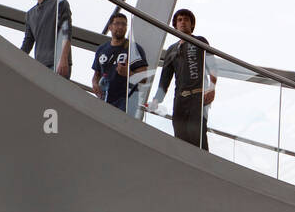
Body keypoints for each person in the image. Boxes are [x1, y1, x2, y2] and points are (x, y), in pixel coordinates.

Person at [148, 8, 217, 150]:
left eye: (186, 19)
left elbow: (212, 65)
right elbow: (165, 79)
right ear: (175, 25)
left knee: (198, 137)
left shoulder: (200, 41)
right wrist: (156, 100)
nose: (183, 22)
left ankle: (203, 168)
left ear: (192, 24)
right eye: (179, 20)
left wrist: (212, 87)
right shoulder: (172, 50)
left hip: (198, 97)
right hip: (179, 99)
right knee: (179, 138)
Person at [92, 12, 149, 114]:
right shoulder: (102, 49)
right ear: (110, 27)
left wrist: (128, 73)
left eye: (124, 24)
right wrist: (95, 84)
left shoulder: (134, 48)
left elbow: (144, 78)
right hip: (106, 98)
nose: (121, 27)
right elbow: (96, 74)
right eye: (117, 24)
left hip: (127, 99)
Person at [20, 0, 72, 78]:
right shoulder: (30, 14)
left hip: (57, 62)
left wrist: (63, 59)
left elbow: (66, 33)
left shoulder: (59, 3)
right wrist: (15, 59)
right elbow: (27, 42)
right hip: (39, 65)